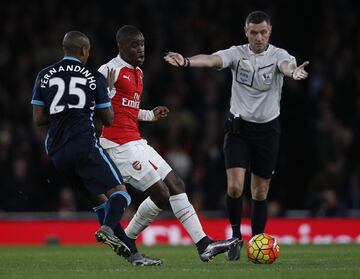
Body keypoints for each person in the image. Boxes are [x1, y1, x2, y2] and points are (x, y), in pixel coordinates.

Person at [164, 10, 309, 261]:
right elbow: (210, 60)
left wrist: (293, 73)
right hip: (238, 129)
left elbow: (287, 66)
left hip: (267, 131)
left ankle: (258, 243)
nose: (259, 37)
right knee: (234, 187)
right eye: (254, 32)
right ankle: (234, 239)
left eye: (263, 32)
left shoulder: (279, 56)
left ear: (270, 31)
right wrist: (186, 61)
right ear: (246, 32)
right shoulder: (237, 54)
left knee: (260, 192)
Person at [97, 25, 239, 263]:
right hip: (118, 145)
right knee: (161, 195)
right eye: (134, 45)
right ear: (121, 47)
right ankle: (128, 239)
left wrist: (150, 115)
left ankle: (204, 244)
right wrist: (108, 91)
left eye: (142, 44)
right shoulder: (108, 70)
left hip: (136, 141)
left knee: (176, 183)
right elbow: (97, 110)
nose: (141, 49)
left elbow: (128, 111)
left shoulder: (138, 73)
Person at [31, 31, 133, 261]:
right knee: (121, 195)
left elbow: (38, 119)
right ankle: (106, 230)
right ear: (85, 51)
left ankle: (133, 256)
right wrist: (103, 95)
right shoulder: (93, 76)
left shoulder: (44, 75)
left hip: (57, 152)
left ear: (64, 49)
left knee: (99, 202)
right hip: (83, 144)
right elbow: (108, 119)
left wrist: (63, 113)